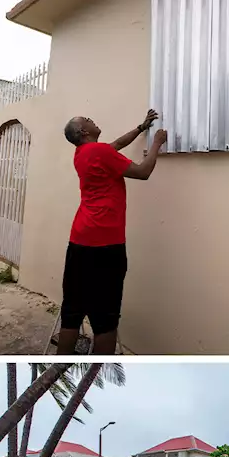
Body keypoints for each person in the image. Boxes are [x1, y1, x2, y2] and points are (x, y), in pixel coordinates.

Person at [55, 111, 169, 354]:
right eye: (87, 119)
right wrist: (157, 143)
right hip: (106, 245)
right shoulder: (100, 152)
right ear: (84, 132)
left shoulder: (83, 153)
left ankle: (60, 363)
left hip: (79, 241)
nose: (91, 118)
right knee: (105, 317)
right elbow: (142, 172)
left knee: (72, 311)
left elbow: (116, 145)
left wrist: (141, 127)